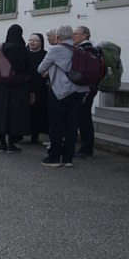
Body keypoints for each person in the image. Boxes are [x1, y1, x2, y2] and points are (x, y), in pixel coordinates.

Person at [37, 25, 90, 168]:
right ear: (72, 36)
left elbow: (40, 69)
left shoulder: (55, 49)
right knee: (72, 125)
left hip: (60, 92)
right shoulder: (79, 49)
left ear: (58, 37)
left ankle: (54, 157)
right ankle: (68, 158)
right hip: (79, 91)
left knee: (56, 125)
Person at [0, 24, 32, 153]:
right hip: (17, 88)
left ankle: (2, 144)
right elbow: (24, 68)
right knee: (13, 116)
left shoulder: (1, 48)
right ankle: (11, 144)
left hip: (0, 87)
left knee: (1, 114)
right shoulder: (19, 48)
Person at [72, 25, 98, 158]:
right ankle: (86, 147)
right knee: (83, 117)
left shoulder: (87, 50)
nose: (73, 36)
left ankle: (87, 148)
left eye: (75, 34)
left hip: (87, 88)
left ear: (84, 35)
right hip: (88, 87)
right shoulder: (89, 49)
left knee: (84, 118)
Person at [25, 33, 49, 144]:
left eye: (35, 40)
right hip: (25, 87)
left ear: (41, 42)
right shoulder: (23, 54)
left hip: (41, 88)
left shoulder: (46, 55)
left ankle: (35, 135)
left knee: (38, 112)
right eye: (30, 40)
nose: (32, 42)